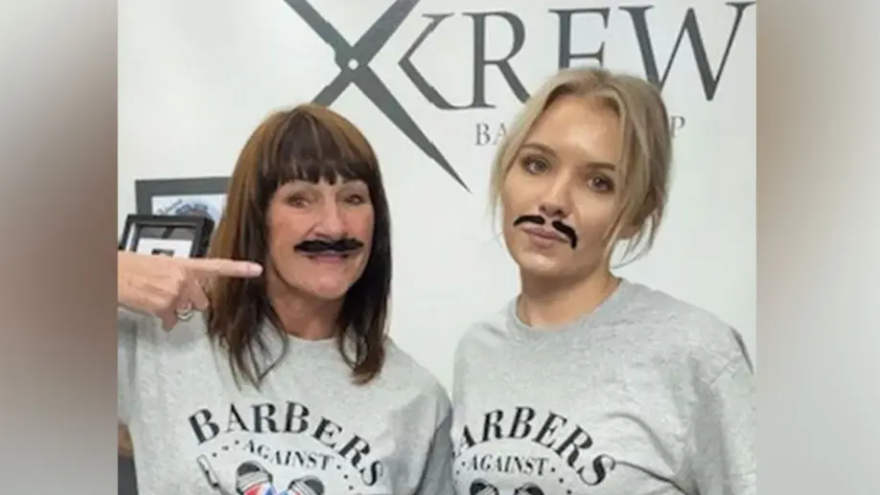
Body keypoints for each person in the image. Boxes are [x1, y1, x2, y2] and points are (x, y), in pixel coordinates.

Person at [118, 104, 453, 495]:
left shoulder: (417, 399)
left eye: (353, 198)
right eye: (300, 199)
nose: (333, 225)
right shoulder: (161, 341)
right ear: (257, 217)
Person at [450, 68, 755, 495]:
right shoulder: (479, 350)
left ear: (634, 215)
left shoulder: (695, 352)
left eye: (599, 182)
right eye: (536, 164)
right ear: (506, 174)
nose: (554, 200)